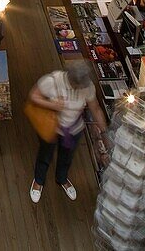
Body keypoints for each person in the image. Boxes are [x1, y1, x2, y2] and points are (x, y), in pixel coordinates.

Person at [28, 59, 107, 203]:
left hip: (73, 130)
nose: (80, 89)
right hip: (52, 128)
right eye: (77, 85)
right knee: (45, 155)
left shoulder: (87, 86)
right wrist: (52, 104)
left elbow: (95, 108)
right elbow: (33, 96)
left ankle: (62, 178)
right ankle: (39, 180)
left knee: (67, 157)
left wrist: (105, 131)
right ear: (70, 79)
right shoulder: (53, 80)